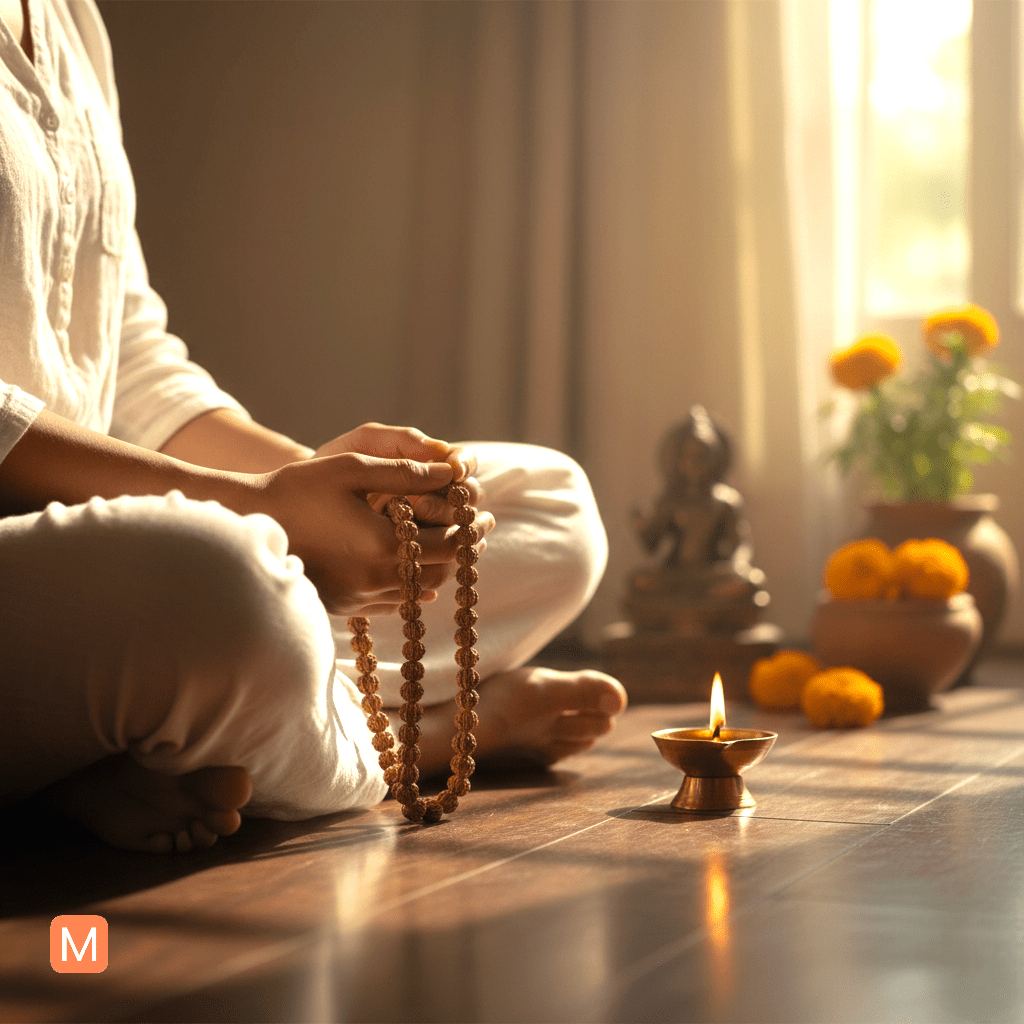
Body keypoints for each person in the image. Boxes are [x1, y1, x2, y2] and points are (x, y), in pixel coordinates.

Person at [0, 0, 626, 854]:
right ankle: (422, 739)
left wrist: (331, 495)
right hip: (62, 575)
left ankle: (115, 747)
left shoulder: (71, 18)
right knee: (227, 589)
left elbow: (132, 356)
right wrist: (260, 508)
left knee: (545, 504)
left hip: (112, 554)